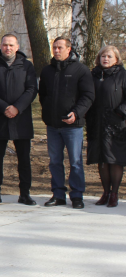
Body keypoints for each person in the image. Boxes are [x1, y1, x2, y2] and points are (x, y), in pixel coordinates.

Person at [0, 34, 38, 205]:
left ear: (17, 46)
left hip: (21, 119)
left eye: (11, 45)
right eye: (5, 45)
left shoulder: (26, 66)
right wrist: (4, 107)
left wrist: (17, 108)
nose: (8, 48)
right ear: (1, 46)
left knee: (24, 158)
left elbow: (31, 90)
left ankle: (24, 193)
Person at [39, 37, 94, 209]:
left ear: (68, 49)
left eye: (60, 48)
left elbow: (88, 96)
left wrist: (76, 113)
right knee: (55, 161)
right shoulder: (47, 71)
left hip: (73, 126)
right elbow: (43, 95)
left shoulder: (80, 70)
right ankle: (58, 194)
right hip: (53, 125)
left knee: (75, 161)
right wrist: (48, 111)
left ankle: (77, 195)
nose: (56, 51)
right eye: (54, 47)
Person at [86, 45, 126, 208]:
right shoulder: (93, 75)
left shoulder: (123, 75)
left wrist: (120, 112)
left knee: (114, 158)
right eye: (103, 56)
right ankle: (105, 192)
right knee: (101, 159)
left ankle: (114, 193)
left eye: (109, 56)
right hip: (97, 123)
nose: (106, 59)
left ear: (116, 59)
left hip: (116, 122)